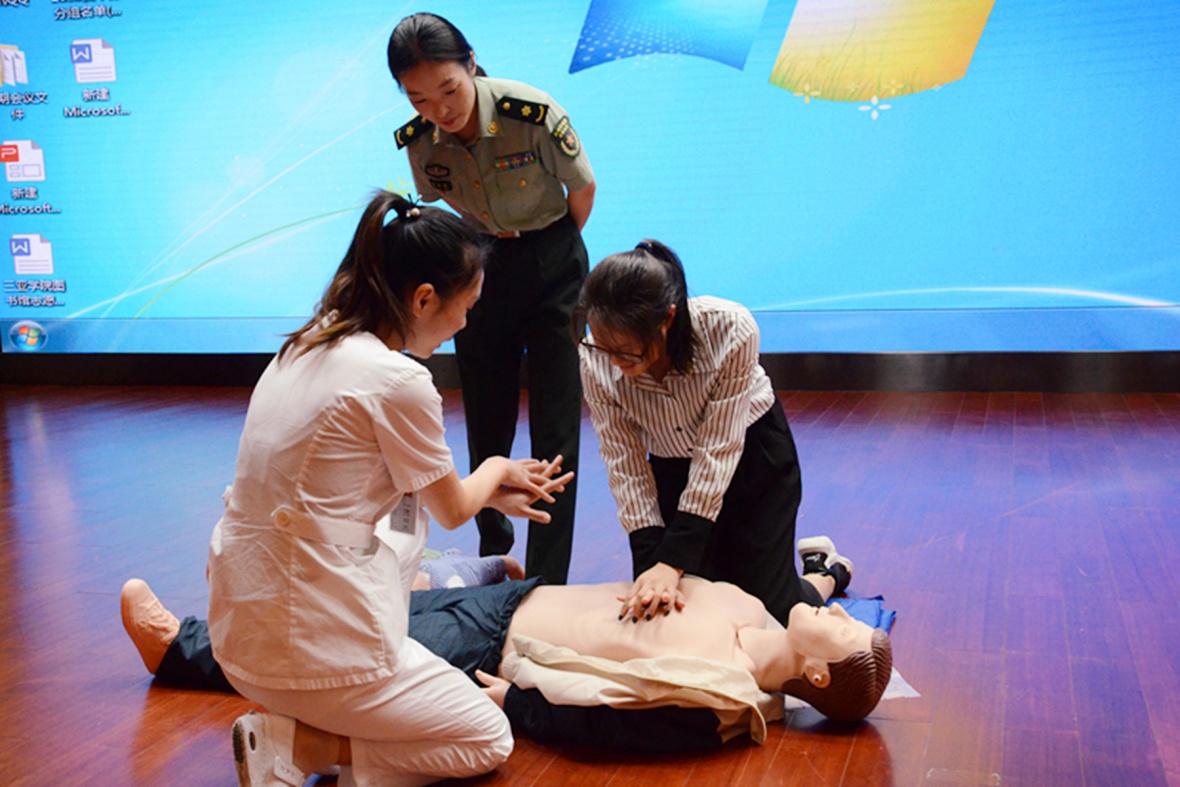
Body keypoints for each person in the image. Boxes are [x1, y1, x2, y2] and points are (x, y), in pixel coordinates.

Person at [205, 190, 573, 787]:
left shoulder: (305, 344)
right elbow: (452, 509)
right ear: (424, 298)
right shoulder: (397, 378)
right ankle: (306, 746)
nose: (464, 323)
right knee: (487, 737)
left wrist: (486, 490)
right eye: (465, 306)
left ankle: (303, 732)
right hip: (313, 651)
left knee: (404, 536)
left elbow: (403, 491)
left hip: (239, 640)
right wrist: (496, 469)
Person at [123, 539, 891, 754]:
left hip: (495, 652)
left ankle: (181, 649)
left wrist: (517, 704)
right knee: (369, 607)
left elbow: (614, 726)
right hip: (518, 602)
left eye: (844, 625)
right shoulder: (752, 606)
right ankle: (230, 619)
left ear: (817, 672)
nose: (839, 613)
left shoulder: (725, 701)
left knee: (343, 647)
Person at [389, 12, 597, 584]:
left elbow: (582, 189)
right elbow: (441, 203)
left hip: (553, 258)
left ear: (471, 64)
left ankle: (547, 577)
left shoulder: (530, 112)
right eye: (419, 99)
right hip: (480, 263)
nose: (439, 109)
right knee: (486, 414)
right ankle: (494, 556)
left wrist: (549, 251)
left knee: (556, 425)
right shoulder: (419, 141)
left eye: (449, 90)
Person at [573, 239, 817, 626]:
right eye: (604, 348)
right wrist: (651, 564)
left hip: (752, 460)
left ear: (667, 318)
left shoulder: (730, 328)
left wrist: (673, 559)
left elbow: (718, 449)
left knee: (768, 612)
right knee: (686, 608)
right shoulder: (594, 358)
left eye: (626, 351)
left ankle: (826, 572)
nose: (614, 362)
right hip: (672, 467)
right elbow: (624, 462)